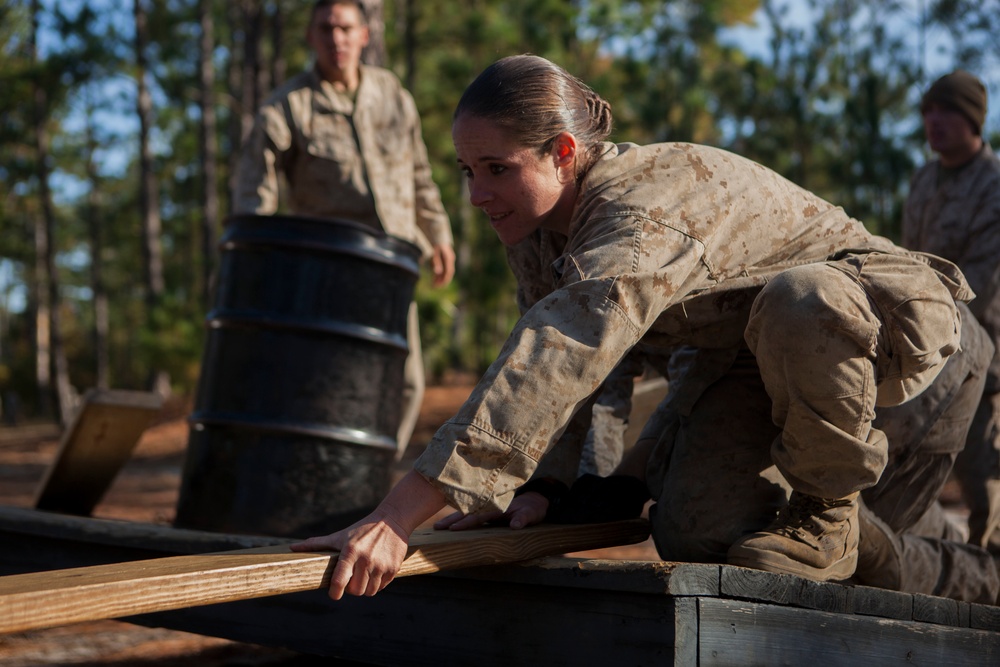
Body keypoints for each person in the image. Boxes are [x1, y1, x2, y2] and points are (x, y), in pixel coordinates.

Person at [291, 54, 999, 604]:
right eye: (468, 170)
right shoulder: (537, 227)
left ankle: (895, 541)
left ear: (564, 152)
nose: (477, 194)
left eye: (497, 169)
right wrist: (552, 492)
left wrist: (396, 515)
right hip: (764, 358)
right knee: (696, 529)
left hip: (904, 353)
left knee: (802, 303)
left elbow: (562, 353)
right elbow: (581, 376)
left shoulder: (637, 212)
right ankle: (859, 529)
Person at [233, 0, 455, 453]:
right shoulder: (288, 107)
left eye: (345, 28)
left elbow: (418, 174)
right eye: (326, 28)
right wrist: (258, 263)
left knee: (406, 379)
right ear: (311, 36)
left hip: (391, 265)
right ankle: (323, 473)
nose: (337, 38)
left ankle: (370, 479)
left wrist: (438, 234)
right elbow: (255, 192)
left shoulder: (391, 94)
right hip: (326, 270)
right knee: (328, 379)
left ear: (364, 34)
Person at [901, 70, 1000, 554]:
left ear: (972, 118)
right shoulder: (922, 179)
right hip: (922, 348)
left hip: (984, 354)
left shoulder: (994, 183)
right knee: (910, 470)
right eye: (927, 112)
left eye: (945, 111)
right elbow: (906, 257)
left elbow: (980, 282)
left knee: (983, 477)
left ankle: (990, 586)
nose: (933, 121)